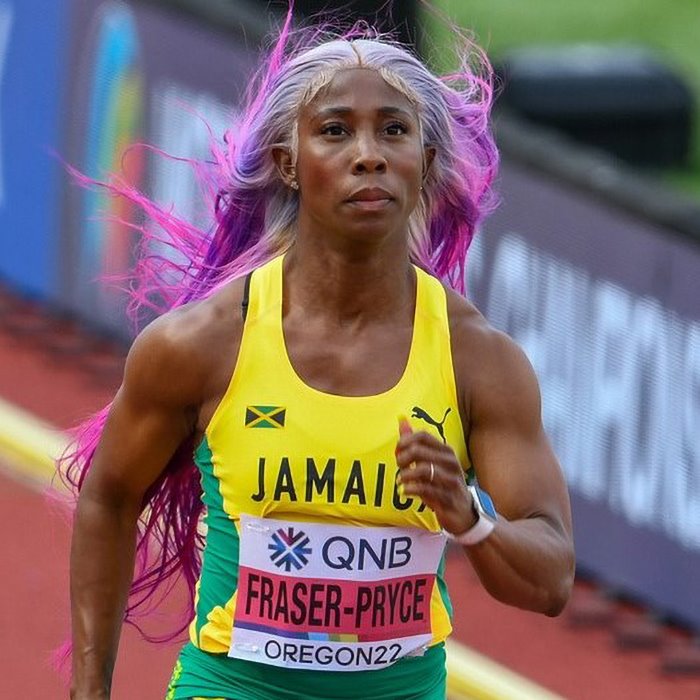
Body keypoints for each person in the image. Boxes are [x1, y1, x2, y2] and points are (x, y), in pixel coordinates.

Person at [64, 13, 575, 700]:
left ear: (425, 161)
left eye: (393, 130)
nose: (368, 155)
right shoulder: (204, 344)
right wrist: (89, 691)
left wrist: (469, 516)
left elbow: (551, 580)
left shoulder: (477, 361)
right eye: (335, 131)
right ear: (288, 161)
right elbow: (109, 496)